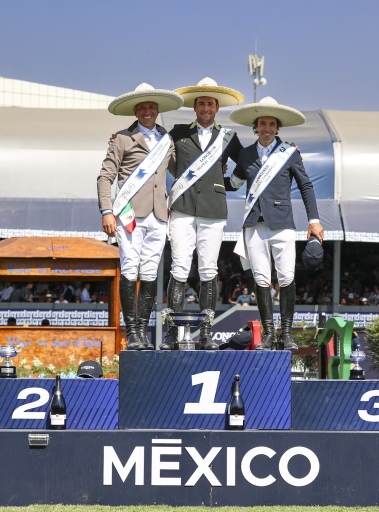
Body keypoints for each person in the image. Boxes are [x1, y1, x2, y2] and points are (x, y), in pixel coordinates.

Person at [225, 97, 323, 350]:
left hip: (282, 224)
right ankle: (269, 334)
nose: (266, 128)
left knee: (287, 278)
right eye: (262, 124)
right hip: (254, 226)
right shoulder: (245, 155)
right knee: (260, 280)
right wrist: (215, 171)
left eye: (271, 124)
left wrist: (314, 220)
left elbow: (306, 185)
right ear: (255, 127)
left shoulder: (289, 153)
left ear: (277, 128)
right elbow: (233, 184)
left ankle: (287, 333)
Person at [161, 78, 245, 351]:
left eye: (210, 103)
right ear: (195, 107)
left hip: (213, 209)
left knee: (209, 268)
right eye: (201, 103)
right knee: (179, 267)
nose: (206, 108)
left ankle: (207, 332)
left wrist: (229, 184)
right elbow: (159, 154)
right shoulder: (178, 132)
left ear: (217, 107)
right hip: (183, 207)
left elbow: (248, 163)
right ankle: (172, 333)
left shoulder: (229, 138)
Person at [98, 83, 182, 350]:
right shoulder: (122, 138)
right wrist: (106, 210)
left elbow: (182, 167)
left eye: (151, 107)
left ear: (157, 111)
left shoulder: (167, 139)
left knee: (149, 272)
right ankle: (131, 332)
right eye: (142, 108)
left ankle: (143, 332)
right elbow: (106, 176)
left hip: (159, 215)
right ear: (136, 111)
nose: (147, 111)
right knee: (130, 268)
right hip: (129, 214)